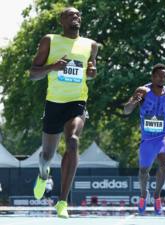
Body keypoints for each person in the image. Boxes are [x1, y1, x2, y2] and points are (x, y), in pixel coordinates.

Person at [29, 7, 98, 218]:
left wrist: (92, 73)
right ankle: (43, 174)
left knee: (74, 141)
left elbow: (90, 72)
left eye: (78, 14)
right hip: (54, 103)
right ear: (62, 20)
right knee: (47, 155)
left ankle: (62, 202)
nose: (75, 17)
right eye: (70, 14)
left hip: (77, 102)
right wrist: (52, 67)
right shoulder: (49, 41)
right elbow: (33, 74)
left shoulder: (91, 45)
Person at [123, 63, 165, 215]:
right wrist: (133, 101)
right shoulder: (143, 91)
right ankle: (143, 195)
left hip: (164, 135)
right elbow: (126, 111)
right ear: (152, 77)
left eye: (164, 76)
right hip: (147, 139)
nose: (162, 78)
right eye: (159, 76)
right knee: (143, 171)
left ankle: (157, 196)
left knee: (164, 164)